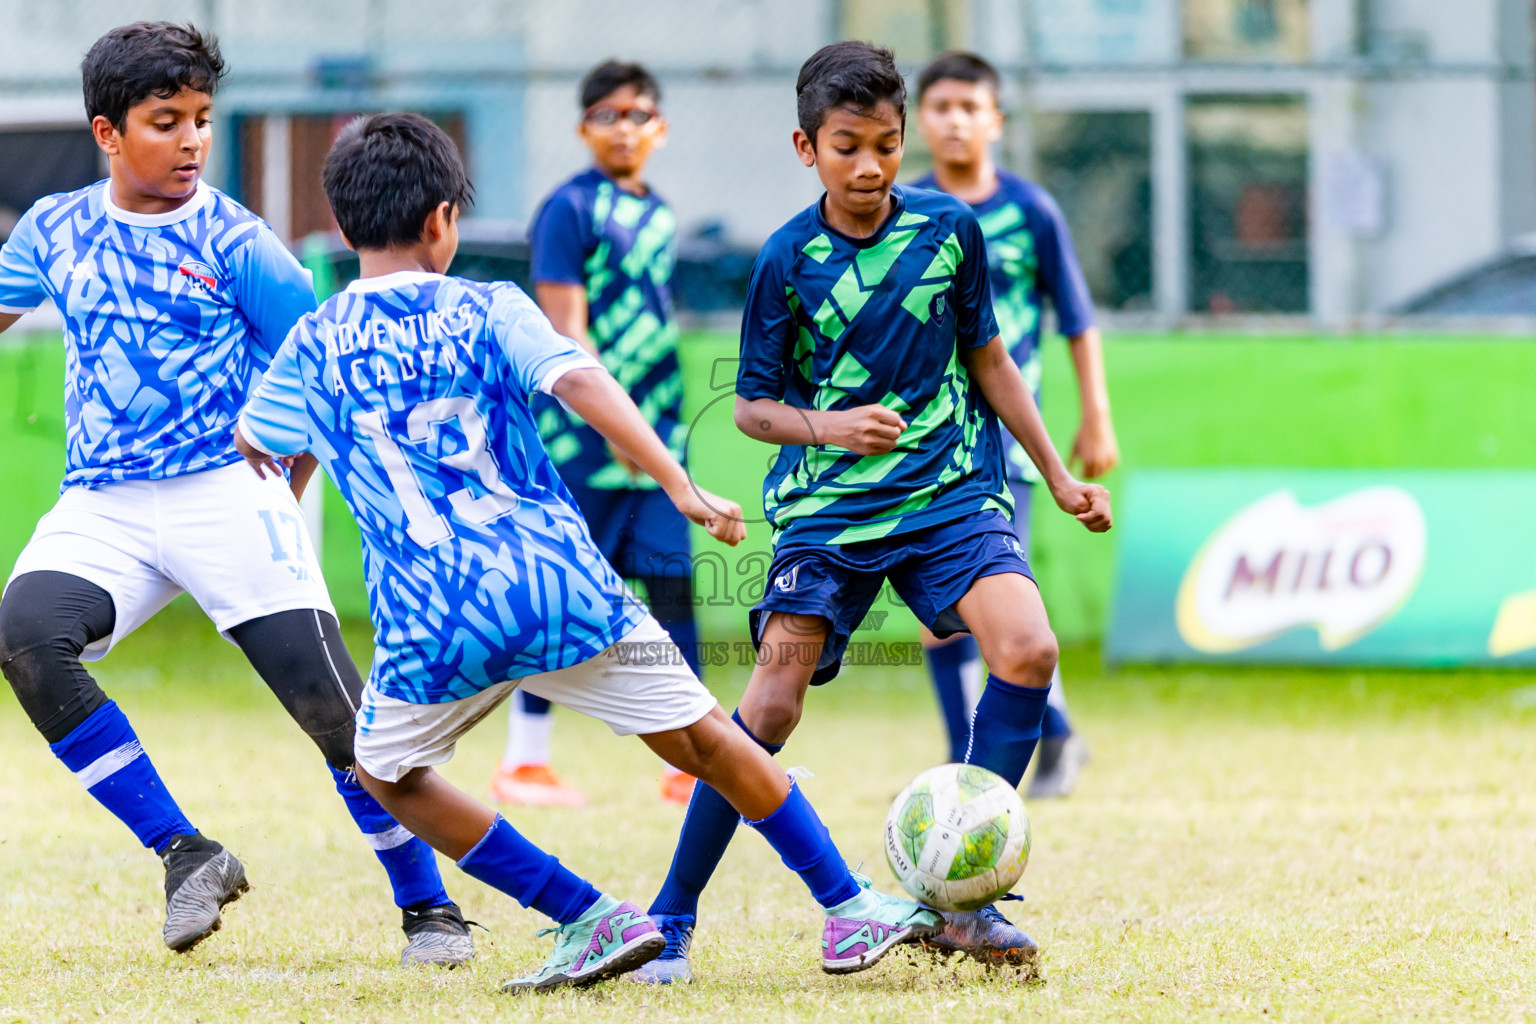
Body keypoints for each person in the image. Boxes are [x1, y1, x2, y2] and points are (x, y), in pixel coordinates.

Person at [233, 111, 941, 992]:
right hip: (561, 588)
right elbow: (580, 382)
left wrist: (295, 487)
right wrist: (678, 483)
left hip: (434, 617)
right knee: (711, 741)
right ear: (444, 221)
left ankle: (585, 914)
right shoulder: (490, 305)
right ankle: (847, 907)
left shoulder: (311, 341)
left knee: (387, 774)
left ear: (342, 227)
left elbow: (260, 448)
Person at [633, 41, 1112, 985]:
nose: (870, 167)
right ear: (806, 146)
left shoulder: (951, 231)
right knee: (768, 704)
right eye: (847, 146)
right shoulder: (784, 259)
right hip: (826, 513)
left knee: (1029, 651)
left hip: (949, 493)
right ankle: (671, 915)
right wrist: (832, 425)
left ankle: (957, 906)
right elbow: (752, 408)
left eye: (886, 146)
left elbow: (991, 360)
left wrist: (1053, 471)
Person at [0, 22, 472, 964]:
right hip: (104, 506)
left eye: (203, 121)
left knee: (337, 717)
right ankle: (187, 854)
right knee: (25, 637)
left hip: (229, 491)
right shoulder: (53, 228)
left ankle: (431, 908)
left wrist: (283, 489)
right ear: (107, 133)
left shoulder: (237, 241)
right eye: (164, 121)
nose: (190, 141)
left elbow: (323, 366)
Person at [492, 59, 699, 809]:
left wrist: (650, 431)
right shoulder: (567, 210)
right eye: (607, 114)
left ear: (661, 129)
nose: (624, 127)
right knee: (564, 592)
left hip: (660, 430)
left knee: (674, 586)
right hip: (587, 438)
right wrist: (610, 421)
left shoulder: (662, 211)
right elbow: (567, 330)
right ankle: (524, 761)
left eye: (639, 113)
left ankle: (695, 761)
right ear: (584, 128)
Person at [912, 51, 1119, 798]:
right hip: (926, 442)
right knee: (941, 616)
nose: (956, 120)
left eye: (971, 106)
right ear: (920, 121)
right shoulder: (908, 210)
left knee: (1001, 603)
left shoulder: (1030, 211)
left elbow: (1078, 319)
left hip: (1005, 445)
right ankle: (1008, 744)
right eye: (941, 107)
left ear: (995, 120)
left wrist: (1095, 416)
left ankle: (1038, 741)